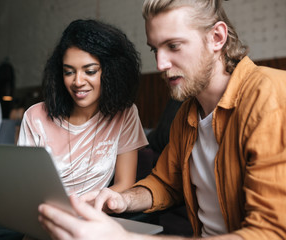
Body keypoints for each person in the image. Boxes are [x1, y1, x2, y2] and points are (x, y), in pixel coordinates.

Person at [37, 0, 286, 239]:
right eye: (155, 49)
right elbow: (166, 183)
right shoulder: (187, 114)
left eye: (174, 46)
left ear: (217, 38)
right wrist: (122, 199)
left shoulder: (270, 95)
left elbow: (270, 234)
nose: (160, 63)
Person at [0, 19, 148, 240]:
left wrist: (87, 208)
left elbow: (124, 184)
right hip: (26, 210)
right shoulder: (35, 116)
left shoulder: (125, 114)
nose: (78, 82)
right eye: (69, 72)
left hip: (81, 215)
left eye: (89, 71)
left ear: (111, 72)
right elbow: (23, 185)